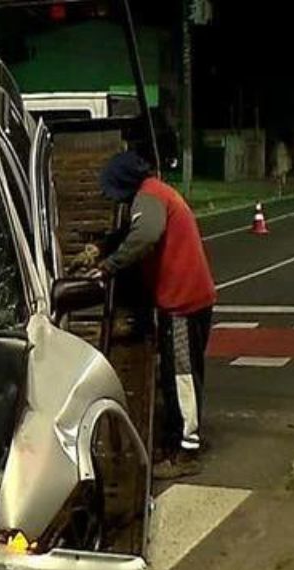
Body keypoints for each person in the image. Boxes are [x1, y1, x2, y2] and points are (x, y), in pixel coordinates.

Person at [92, 150, 217, 479]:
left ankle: (186, 451)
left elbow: (145, 235)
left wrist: (109, 265)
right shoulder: (156, 193)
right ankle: (181, 438)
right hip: (188, 297)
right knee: (182, 373)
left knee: (181, 375)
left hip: (182, 302)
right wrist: (103, 247)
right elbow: (135, 231)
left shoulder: (149, 198)